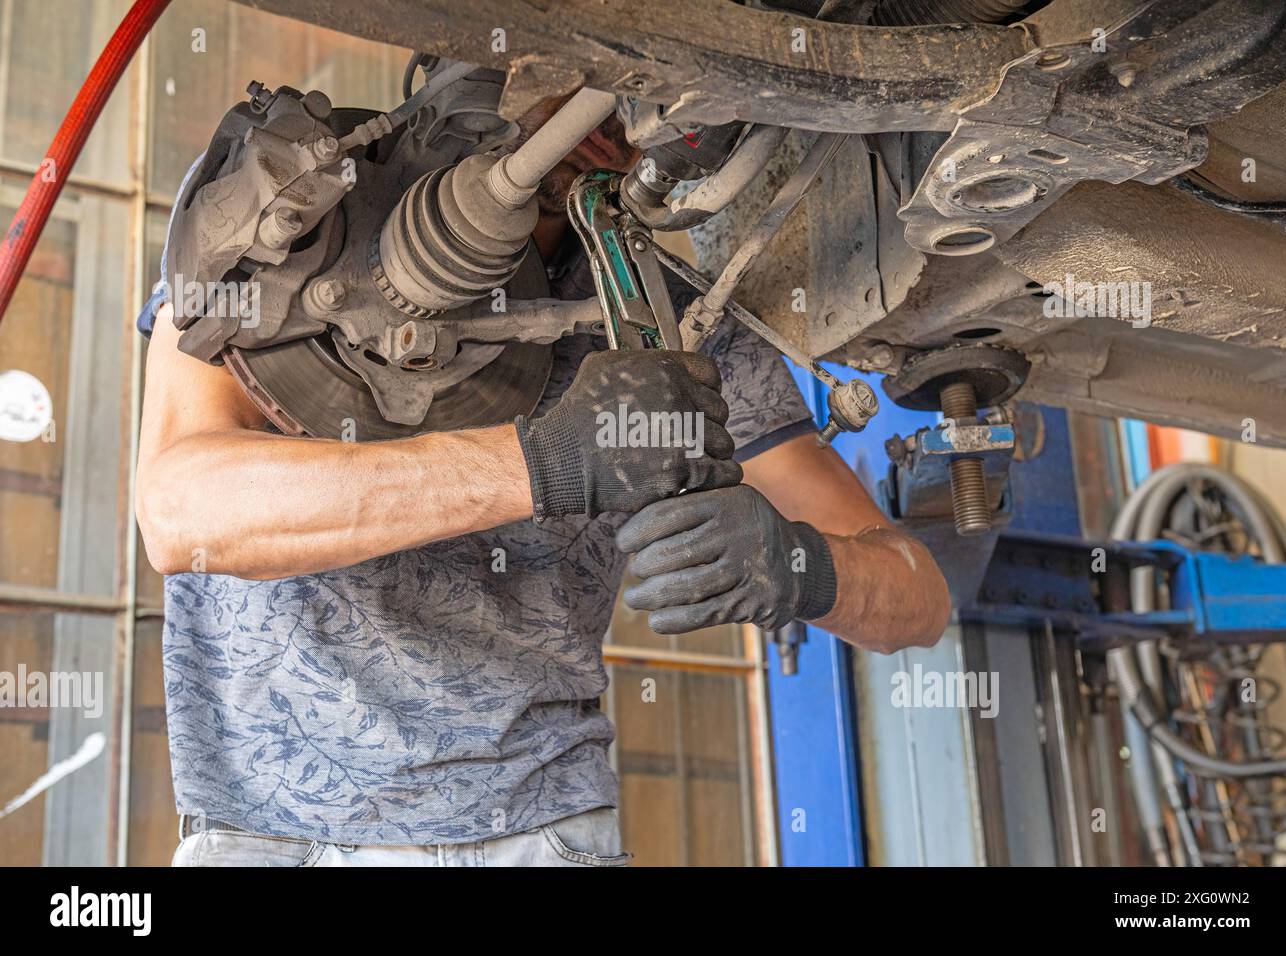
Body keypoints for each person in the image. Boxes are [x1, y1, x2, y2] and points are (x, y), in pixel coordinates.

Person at [135, 93, 950, 867]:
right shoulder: (286, 217)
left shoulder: (681, 328)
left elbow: (920, 603)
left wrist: (800, 565)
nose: (610, 108)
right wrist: (547, 462)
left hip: (541, 835)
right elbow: (183, 511)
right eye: (588, 68)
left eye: (646, 81)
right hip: (274, 835)